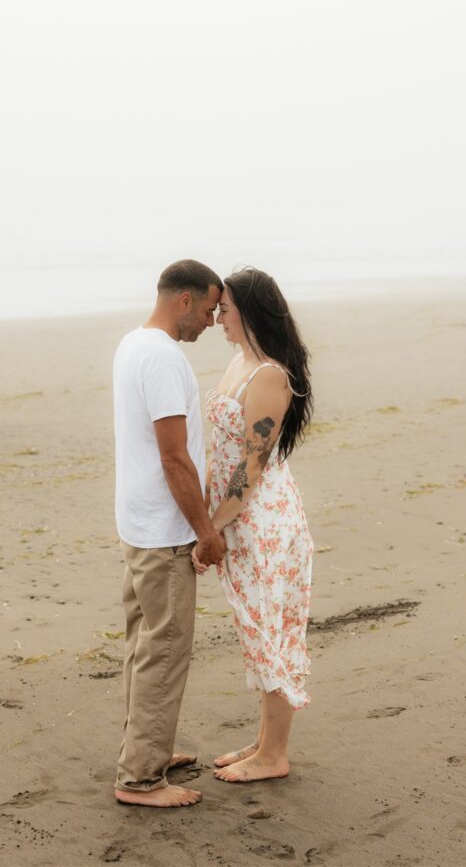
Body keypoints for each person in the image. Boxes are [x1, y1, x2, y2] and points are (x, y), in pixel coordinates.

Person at [112, 259, 226, 808]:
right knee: (165, 650)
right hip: (162, 532)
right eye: (209, 309)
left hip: (137, 524)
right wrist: (205, 532)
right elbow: (175, 457)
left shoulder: (133, 344)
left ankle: (147, 748)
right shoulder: (161, 357)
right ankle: (140, 779)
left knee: (143, 646)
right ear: (185, 300)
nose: (211, 322)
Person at [192, 267, 314, 783]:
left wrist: (212, 526)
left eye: (225, 310)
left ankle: (274, 755)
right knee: (256, 627)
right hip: (240, 516)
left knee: (271, 631)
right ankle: (265, 741)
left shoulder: (269, 375)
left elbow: (252, 465)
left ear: (250, 311)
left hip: (263, 521)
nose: (217, 318)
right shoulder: (239, 360)